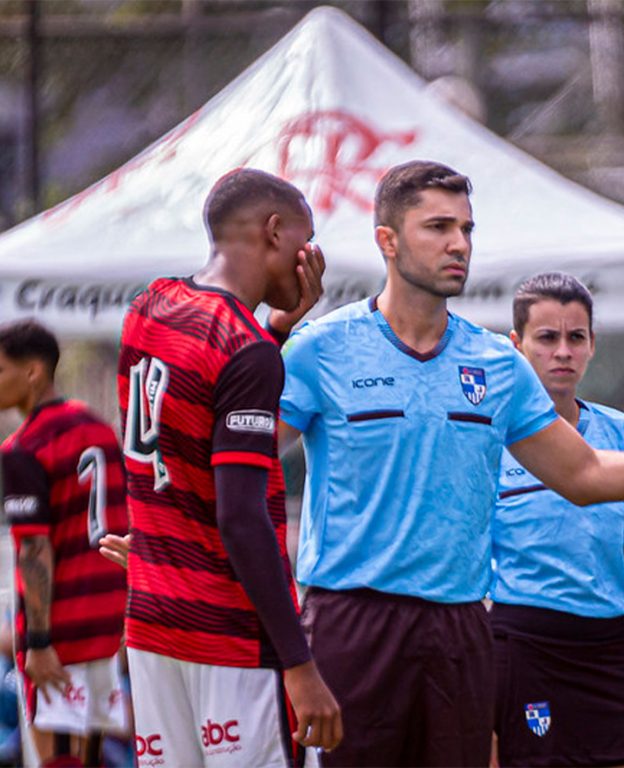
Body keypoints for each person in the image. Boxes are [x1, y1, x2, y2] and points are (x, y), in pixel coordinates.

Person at [278, 160, 624, 767]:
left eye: (468, 229)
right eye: (438, 227)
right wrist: (179, 529)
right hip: (354, 623)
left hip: (462, 629)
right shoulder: (322, 347)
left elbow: (586, 477)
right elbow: (245, 459)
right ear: (388, 241)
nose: (459, 244)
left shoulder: (496, 365)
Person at [114, 168, 341, 767]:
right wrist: (300, 665)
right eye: (305, 239)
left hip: (152, 625)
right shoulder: (247, 351)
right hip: (228, 635)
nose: (311, 258)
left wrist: (275, 327)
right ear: (273, 232)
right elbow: (242, 520)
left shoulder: (150, 305)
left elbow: (181, 441)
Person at [490, 272, 624, 768]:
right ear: (517, 345)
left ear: (593, 344)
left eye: (576, 338)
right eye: (547, 338)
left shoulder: (621, 431)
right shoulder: (490, 438)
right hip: (522, 646)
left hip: (609, 648)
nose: (563, 352)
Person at [0, 320, 130, 766]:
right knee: (92, 757)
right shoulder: (97, 428)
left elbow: (34, 549)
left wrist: (37, 642)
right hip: (107, 626)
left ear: (33, 371)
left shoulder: (24, 448)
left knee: (58, 760)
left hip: (58, 638)